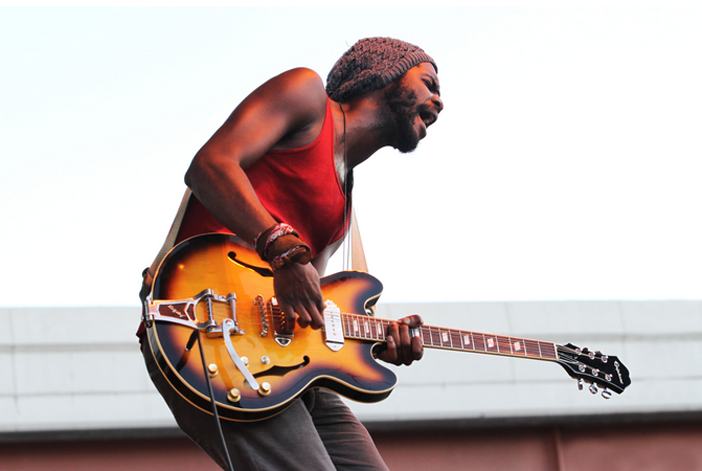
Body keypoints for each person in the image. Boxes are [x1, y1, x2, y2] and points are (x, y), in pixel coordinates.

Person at [138, 37, 444, 471]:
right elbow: (210, 165)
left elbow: (303, 312)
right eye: (429, 83)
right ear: (384, 72)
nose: (439, 101)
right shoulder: (307, 95)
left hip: (283, 363)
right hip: (206, 330)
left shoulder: (343, 208)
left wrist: (373, 341)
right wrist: (284, 251)